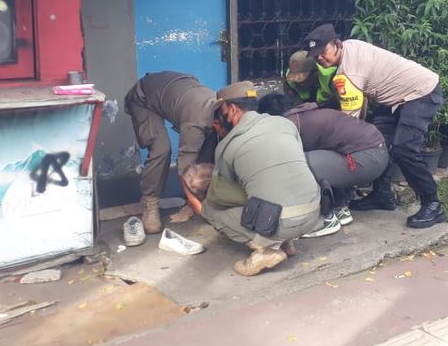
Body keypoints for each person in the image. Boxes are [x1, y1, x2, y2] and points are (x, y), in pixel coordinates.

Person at [303, 23, 445, 229]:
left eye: (323, 52)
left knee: (404, 148)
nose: (320, 58)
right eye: (315, 56)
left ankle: (432, 203)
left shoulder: (348, 74)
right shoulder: (349, 48)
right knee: (377, 140)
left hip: (420, 92)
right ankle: (382, 195)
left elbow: (349, 123)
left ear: (337, 44)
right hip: (396, 98)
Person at [182, 81, 322, 276]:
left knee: (212, 209)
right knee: (275, 185)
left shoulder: (229, 145)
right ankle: (287, 243)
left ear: (231, 109)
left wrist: (192, 195)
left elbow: (218, 195)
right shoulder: (284, 123)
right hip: (313, 214)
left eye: (220, 112)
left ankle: (267, 250)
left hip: (279, 222)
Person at [257, 93, 389, 237]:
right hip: (376, 155)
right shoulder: (307, 113)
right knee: (323, 159)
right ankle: (340, 208)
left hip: (364, 160)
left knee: (295, 165)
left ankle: (324, 220)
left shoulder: (289, 123)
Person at [124, 71, 216, 234]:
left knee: (209, 145)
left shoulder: (221, 107)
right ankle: (149, 201)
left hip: (173, 90)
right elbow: (184, 167)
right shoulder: (195, 122)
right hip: (143, 97)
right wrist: (193, 204)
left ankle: (202, 199)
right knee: (161, 148)